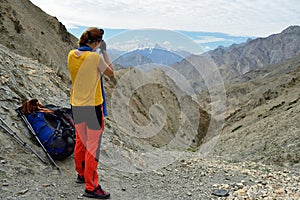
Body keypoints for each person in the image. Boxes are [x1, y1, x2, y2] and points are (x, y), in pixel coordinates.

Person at [67, 27, 114, 199]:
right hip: (93, 107)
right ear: (96, 42)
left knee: (81, 140)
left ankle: (80, 173)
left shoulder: (72, 54)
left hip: (76, 105)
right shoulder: (94, 57)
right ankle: (91, 186)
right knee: (93, 146)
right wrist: (105, 52)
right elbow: (110, 72)